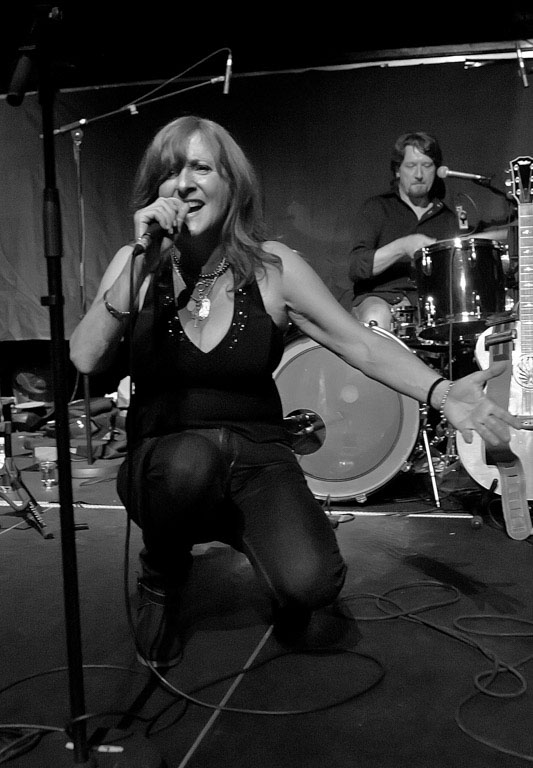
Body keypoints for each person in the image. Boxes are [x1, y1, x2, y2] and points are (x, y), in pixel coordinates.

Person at [69, 116, 524, 669]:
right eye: (170, 172)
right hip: (166, 462)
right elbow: (86, 357)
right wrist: (139, 262)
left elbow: (360, 343)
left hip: (256, 459)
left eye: (200, 168)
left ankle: (249, 528)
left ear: (232, 185)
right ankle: (162, 571)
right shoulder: (135, 265)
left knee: (311, 585)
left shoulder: (273, 269)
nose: (183, 183)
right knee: (189, 464)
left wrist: (442, 392)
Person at [348, 131, 460, 332]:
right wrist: (402, 247)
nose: (419, 174)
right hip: (382, 299)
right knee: (376, 314)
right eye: (411, 166)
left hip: (430, 307)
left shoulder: (448, 218)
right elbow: (357, 268)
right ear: (397, 170)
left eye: (427, 165)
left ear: (436, 170)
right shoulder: (377, 208)